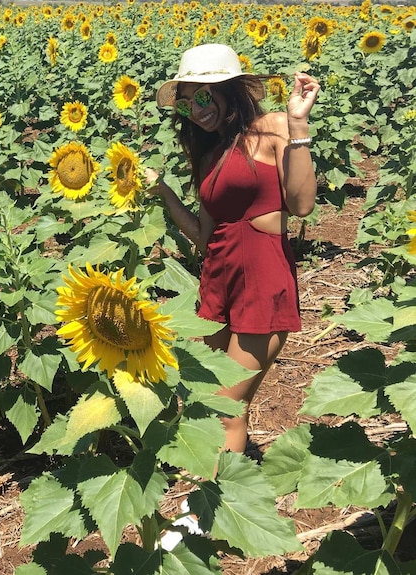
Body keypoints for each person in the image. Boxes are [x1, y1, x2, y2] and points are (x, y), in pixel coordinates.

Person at [147, 44, 320, 454]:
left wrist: (298, 126)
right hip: (218, 279)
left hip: (262, 279)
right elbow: (206, 238)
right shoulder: (208, 155)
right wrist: (167, 194)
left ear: (233, 89)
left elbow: (301, 205)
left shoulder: (275, 127)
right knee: (201, 396)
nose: (197, 109)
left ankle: (203, 514)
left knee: (227, 408)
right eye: (187, 103)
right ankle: (208, 493)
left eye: (204, 95)